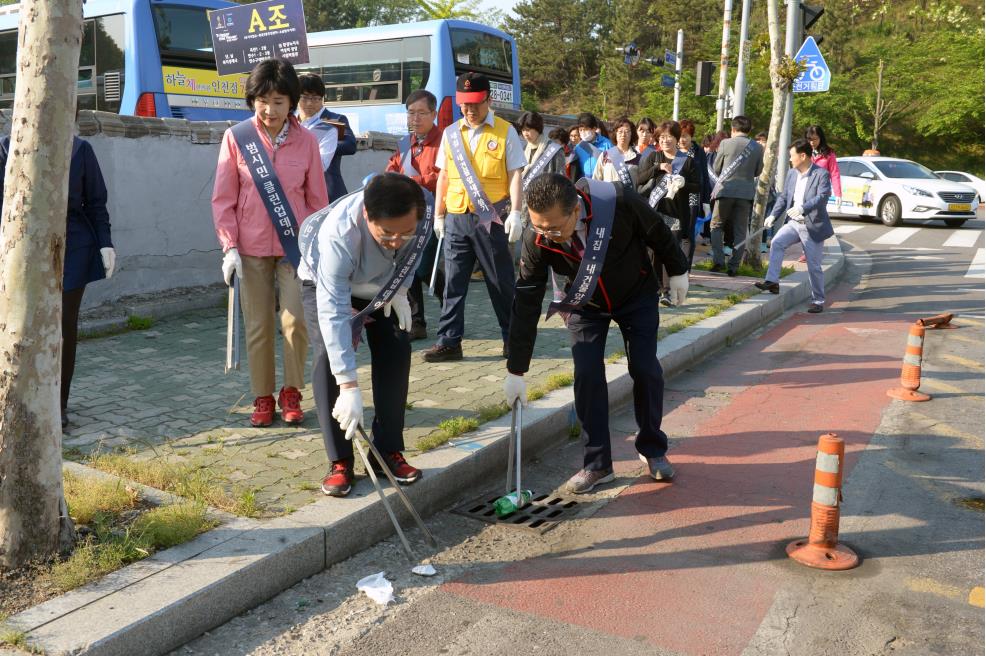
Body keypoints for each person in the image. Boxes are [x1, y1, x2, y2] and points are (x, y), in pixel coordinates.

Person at [504, 173, 689, 493]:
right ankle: (597, 463)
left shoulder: (617, 201)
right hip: (583, 305)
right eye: (539, 226)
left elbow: (658, 232)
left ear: (576, 210)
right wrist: (516, 368)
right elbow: (527, 298)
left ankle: (652, 448)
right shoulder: (537, 236)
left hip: (635, 295)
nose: (546, 234)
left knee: (645, 368)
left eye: (552, 227)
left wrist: (678, 271)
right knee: (587, 374)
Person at [212, 59, 327, 427]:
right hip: (250, 249)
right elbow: (223, 198)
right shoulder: (237, 137)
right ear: (252, 100)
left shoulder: (306, 141)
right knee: (259, 325)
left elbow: (316, 200)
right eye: (263, 100)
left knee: (296, 322)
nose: (270, 109)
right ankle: (263, 396)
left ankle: (292, 391)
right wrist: (229, 246)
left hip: (295, 250)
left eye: (279, 101)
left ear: (292, 102)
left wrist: (314, 247)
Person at [298, 173, 428, 496]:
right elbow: (333, 309)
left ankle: (387, 450)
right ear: (367, 216)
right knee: (330, 357)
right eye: (387, 234)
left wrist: (401, 291)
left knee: (397, 347)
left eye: (405, 233)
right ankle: (340, 461)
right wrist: (349, 384)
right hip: (327, 285)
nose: (398, 241)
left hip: (382, 284)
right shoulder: (340, 235)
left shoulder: (419, 217)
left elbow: (411, 259)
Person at [0, 133, 115, 432]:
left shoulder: (80, 150)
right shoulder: (6, 147)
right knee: (17, 325)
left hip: (73, 245)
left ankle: (58, 405)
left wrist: (105, 242)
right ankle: (16, 400)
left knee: (64, 324)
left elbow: (96, 202)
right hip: (20, 247)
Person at [423, 71, 526, 362]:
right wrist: (439, 215)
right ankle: (449, 341)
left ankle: (512, 338)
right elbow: (443, 175)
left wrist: (516, 213)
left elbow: (515, 174)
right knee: (453, 282)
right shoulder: (451, 133)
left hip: (491, 217)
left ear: (488, 100)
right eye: (464, 105)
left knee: (500, 282)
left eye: (476, 104)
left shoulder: (506, 131)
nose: (470, 110)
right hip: (456, 215)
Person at [385, 89, 444, 341]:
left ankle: (452, 311)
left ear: (434, 113)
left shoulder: (444, 141)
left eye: (422, 113)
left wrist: (412, 180)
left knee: (423, 267)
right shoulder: (404, 143)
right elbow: (391, 168)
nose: (416, 118)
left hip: (433, 213)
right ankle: (416, 322)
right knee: (407, 264)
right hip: (407, 216)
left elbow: (443, 176)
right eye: (411, 113)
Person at [755, 138, 833, 314]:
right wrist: (773, 215)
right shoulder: (791, 174)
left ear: (803, 156)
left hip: (811, 225)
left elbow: (822, 198)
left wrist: (802, 208)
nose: (790, 159)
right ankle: (772, 282)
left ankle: (818, 300)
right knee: (777, 242)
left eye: (792, 156)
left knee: (813, 265)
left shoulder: (821, 174)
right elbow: (783, 197)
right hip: (793, 224)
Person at [637, 120, 699, 305]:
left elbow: (698, 187)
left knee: (669, 251)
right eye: (662, 137)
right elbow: (639, 179)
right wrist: (658, 169)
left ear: (676, 138)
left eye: (669, 137)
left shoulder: (687, 161)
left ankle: (667, 290)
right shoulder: (654, 157)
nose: (665, 140)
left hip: (676, 215)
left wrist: (683, 184)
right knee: (652, 252)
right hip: (653, 212)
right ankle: (656, 288)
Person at [710, 115, 764, 276]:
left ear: (733, 129)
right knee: (741, 230)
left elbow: (717, 167)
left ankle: (719, 261)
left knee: (716, 226)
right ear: (749, 130)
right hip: (745, 194)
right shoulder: (757, 147)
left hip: (725, 191)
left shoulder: (725, 143)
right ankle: (734, 266)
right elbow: (758, 171)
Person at [295, 73, 356, 201]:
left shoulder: (336, 119)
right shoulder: (290, 122)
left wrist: (323, 143)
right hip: (298, 191)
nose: (310, 103)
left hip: (329, 191)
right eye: (304, 98)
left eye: (316, 98)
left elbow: (351, 146)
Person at [678, 119, 711, 259]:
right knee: (674, 232)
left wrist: (705, 201)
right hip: (674, 198)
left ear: (691, 136)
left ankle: (686, 267)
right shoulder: (672, 151)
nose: (682, 139)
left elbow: (704, 176)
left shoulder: (699, 152)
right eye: (679, 135)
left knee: (688, 233)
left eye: (685, 135)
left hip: (693, 197)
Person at [592, 115, 639, 186]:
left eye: (627, 131)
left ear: (632, 134)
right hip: (608, 195)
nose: (623, 135)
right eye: (620, 132)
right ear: (615, 134)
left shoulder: (637, 157)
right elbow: (596, 180)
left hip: (629, 196)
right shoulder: (605, 155)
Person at [804, 125, 842, 209]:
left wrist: (838, 194)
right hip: (805, 190)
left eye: (815, 139)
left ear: (821, 138)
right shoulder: (803, 153)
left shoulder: (829, 154)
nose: (812, 142)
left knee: (817, 217)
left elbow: (834, 174)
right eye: (809, 139)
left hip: (821, 192)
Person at [572, 112, 613, 181]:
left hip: (601, 182)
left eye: (586, 129)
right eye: (580, 130)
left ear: (594, 128)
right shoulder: (579, 147)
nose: (583, 132)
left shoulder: (607, 144)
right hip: (584, 184)